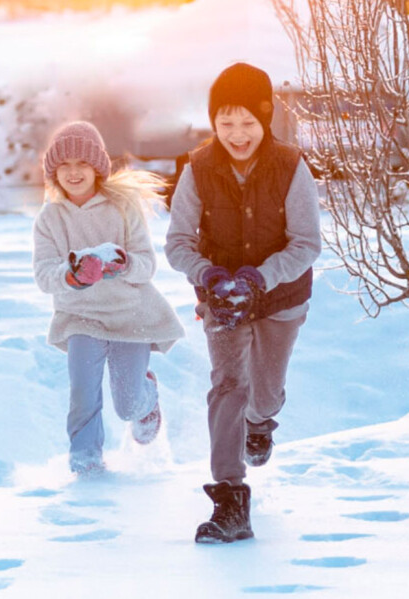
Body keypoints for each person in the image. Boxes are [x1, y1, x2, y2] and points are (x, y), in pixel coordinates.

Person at [165, 63, 322, 542]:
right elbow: (178, 243)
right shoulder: (196, 168)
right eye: (225, 123)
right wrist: (209, 276)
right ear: (213, 122)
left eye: (247, 123)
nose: (236, 134)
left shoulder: (292, 167)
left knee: (264, 391)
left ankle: (262, 421)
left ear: (266, 118)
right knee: (228, 384)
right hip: (222, 300)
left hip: (281, 296)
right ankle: (230, 499)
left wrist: (259, 278)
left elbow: (306, 243)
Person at [33, 121, 184, 476]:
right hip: (79, 317)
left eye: (81, 164)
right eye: (64, 166)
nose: (73, 173)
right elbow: (44, 275)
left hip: (130, 315)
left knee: (128, 406)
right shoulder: (50, 218)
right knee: (83, 394)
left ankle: (147, 397)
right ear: (54, 172)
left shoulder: (122, 208)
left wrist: (124, 263)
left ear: (97, 168)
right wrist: (71, 276)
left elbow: (146, 265)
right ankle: (85, 462)